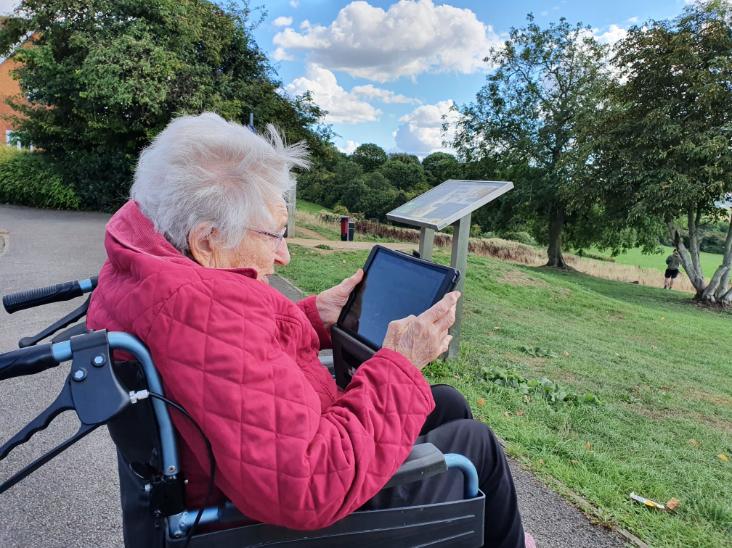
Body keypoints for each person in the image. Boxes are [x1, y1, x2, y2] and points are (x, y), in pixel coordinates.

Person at [88, 113, 531, 548]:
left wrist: (314, 315)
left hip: (241, 471)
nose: (284, 257)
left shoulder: (151, 266)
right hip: (272, 519)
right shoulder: (196, 308)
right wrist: (399, 363)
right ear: (208, 241)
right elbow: (307, 485)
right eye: (274, 234)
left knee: (446, 402)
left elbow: (226, 359)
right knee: (477, 446)